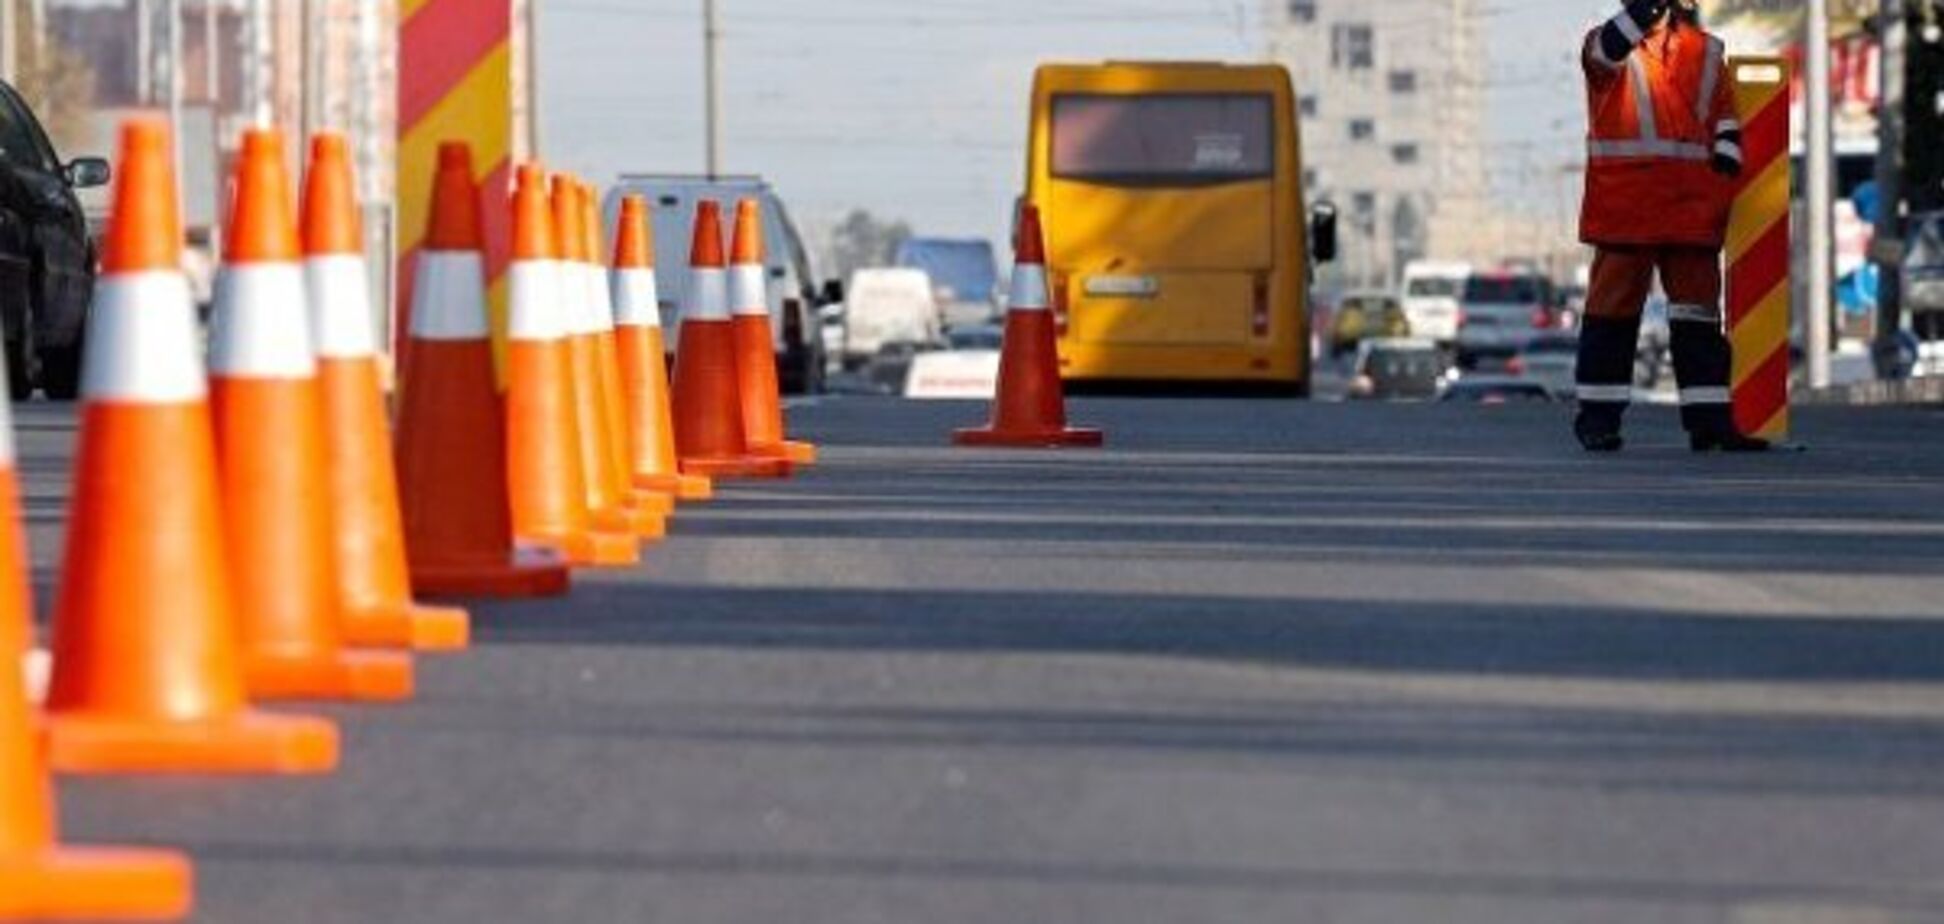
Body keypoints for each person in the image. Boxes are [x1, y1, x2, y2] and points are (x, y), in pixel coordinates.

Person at [1574, 0, 1770, 452]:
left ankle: (1711, 423)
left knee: (1698, 320)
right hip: (1630, 209)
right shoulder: (1607, 44)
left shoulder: (1706, 51)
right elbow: (1605, 53)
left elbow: (1724, 111)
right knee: (1612, 317)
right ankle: (1598, 419)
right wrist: (1642, 13)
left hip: (1690, 208)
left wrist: (1727, 149)